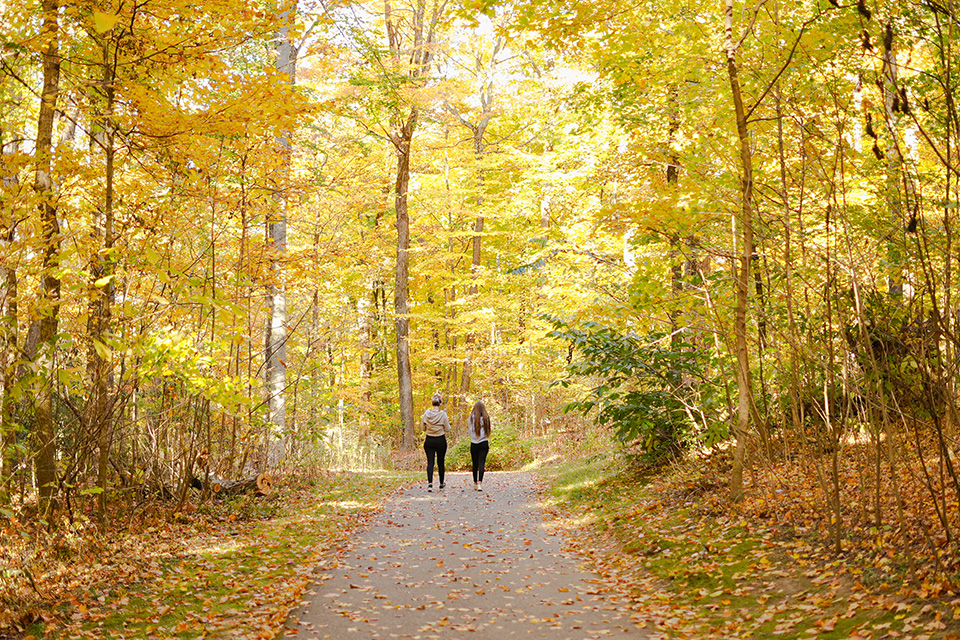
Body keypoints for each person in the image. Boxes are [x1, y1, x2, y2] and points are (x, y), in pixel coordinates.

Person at [421, 393, 450, 492]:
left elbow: (422, 428)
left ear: (432, 403)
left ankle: (430, 484)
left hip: (429, 439)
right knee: (441, 461)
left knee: (430, 462)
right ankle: (441, 484)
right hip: (440, 439)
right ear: (440, 403)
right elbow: (448, 429)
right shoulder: (443, 415)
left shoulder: (426, 414)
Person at [467, 400, 491, 491]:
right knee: (482, 463)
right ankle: (480, 482)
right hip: (484, 442)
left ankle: (475, 483)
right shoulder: (486, 417)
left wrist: (474, 438)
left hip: (474, 443)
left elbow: (470, 430)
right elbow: (488, 430)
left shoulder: (471, 418)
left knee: (475, 463)